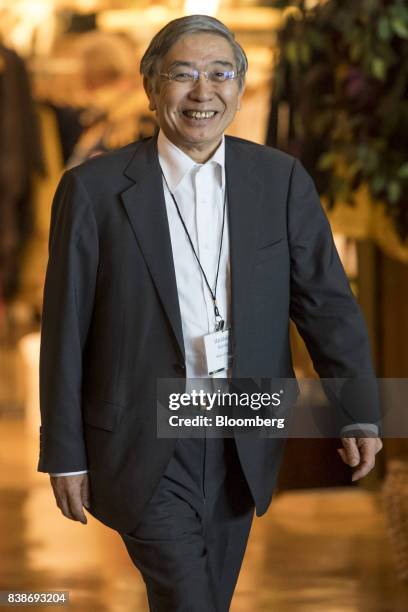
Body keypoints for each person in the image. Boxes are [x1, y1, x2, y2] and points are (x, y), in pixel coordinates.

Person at [38, 14, 383, 612]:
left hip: (242, 431)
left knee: (210, 598)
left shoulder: (280, 181)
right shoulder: (92, 191)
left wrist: (360, 413)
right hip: (143, 436)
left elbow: (327, 306)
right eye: (184, 75)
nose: (204, 91)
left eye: (221, 74)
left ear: (240, 89)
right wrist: (64, 451)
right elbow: (66, 331)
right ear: (152, 88)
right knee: (188, 598)